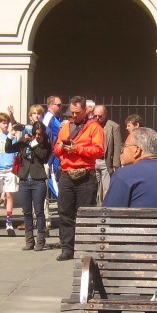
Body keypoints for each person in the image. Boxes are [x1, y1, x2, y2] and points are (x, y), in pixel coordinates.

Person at [53, 96, 104, 261]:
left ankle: (85, 248)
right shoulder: (66, 126)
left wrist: (77, 148)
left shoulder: (94, 127)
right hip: (67, 173)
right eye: (72, 112)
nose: (74, 115)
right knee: (65, 212)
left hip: (85, 175)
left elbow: (99, 150)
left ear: (85, 111)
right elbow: (56, 149)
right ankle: (67, 248)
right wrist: (61, 148)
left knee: (85, 213)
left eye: (77, 112)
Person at [103, 128, 157, 209]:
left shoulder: (123, 174)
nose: (122, 150)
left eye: (125, 146)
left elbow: (107, 215)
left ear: (137, 150)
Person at [5, 114, 51, 250]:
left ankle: (41, 240)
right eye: (35, 134)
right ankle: (29, 240)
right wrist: (11, 135)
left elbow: (43, 156)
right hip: (25, 180)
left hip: (38, 181)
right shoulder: (24, 143)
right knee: (26, 212)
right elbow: (8, 149)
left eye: (39, 134)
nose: (37, 136)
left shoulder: (43, 145)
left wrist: (35, 143)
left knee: (39, 211)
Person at [0, 112, 18, 235]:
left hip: (9, 169)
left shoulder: (13, 136)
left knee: (9, 195)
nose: (5, 125)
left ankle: (9, 222)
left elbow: (16, 153)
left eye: (7, 122)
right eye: (3, 122)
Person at [92, 105, 123, 202]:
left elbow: (117, 145)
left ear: (105, 114)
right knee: (92, 188)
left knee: (107, 189)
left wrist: (116, 164)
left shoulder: (113, 126)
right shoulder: (91, 125)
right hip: (93, 161)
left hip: (106, 161)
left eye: (100, 116)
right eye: (95, 116)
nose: (97, 118)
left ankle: (106, 209)